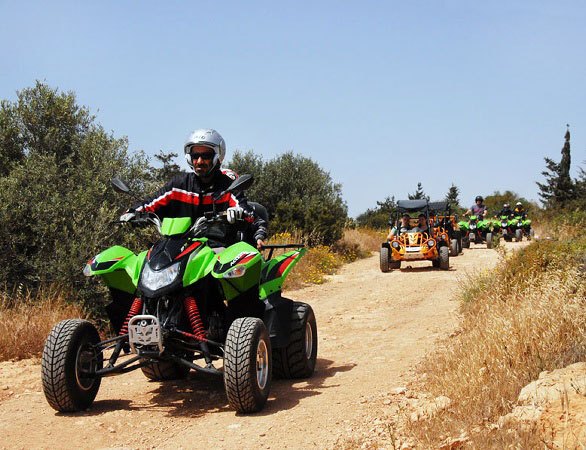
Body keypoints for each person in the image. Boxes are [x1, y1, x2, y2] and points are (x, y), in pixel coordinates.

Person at [120, 128, 267, 248]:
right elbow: (150, 204)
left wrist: (239, 214)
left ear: (217, 156)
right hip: (178, 250)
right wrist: (132, 213)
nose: (199, 161)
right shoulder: (178, 186)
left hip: (217, 250)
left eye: (206, 155)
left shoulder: (227, 187)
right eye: (195, 155)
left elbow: (249, 214)